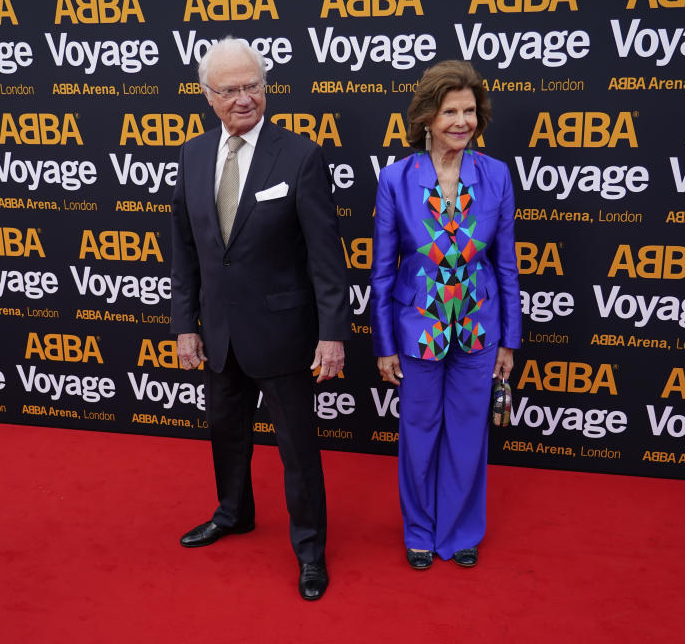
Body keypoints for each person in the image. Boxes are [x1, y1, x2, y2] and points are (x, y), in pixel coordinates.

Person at [169, 37, 349, 600]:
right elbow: (187, 249)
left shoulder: (299, 155)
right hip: (219, 332)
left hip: (284, 332)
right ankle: (233, 513)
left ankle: (311, 550)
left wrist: (332, 335)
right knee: (226, 435)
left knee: (297, 448)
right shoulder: (192, 155)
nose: (244, 98)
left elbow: (325, 255)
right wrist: (184, 325)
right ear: (208, 96)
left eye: (253, 85)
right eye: (230, 90)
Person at [370, 60, 522, 570]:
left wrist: (509, 341)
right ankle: (418, 529)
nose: (462, 121)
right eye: (451, 111)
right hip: (418, 330)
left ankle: (459, 531)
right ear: (427, 118)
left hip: (479, 329)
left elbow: (506, 266)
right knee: (418, 434)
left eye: (470, 110)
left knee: (467, 435)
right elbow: (383, 272)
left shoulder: (496, 176)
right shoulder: (396, 179)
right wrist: (384, 344)